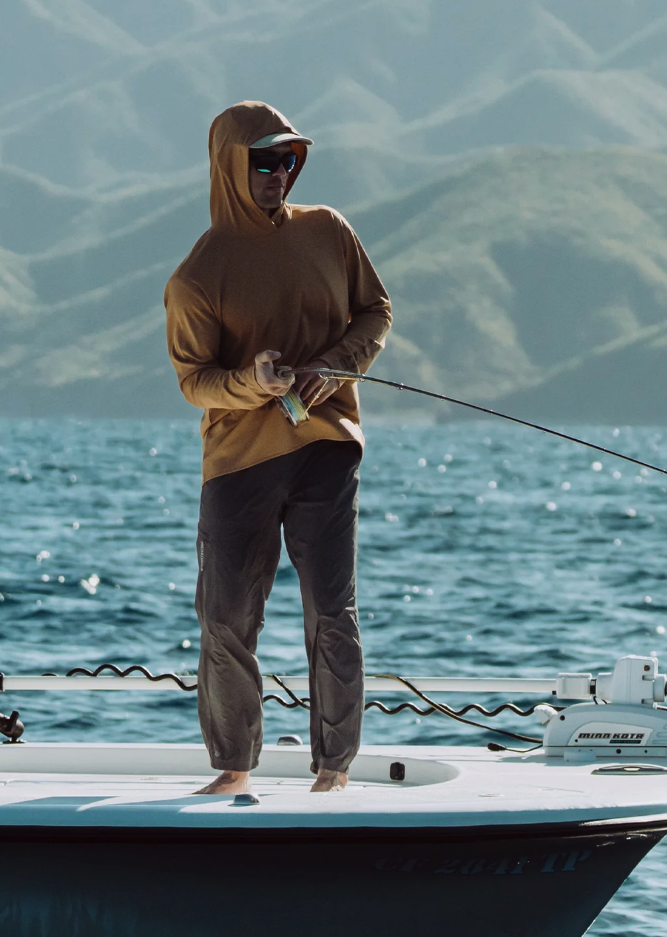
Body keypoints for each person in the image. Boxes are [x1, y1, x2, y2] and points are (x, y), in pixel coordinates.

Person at [164, 101, 391, 794]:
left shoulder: (329, 231)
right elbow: (194, 383)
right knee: (227, 616)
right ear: (231, 166)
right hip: (239, 464)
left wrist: (335, 361)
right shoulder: (197, 276)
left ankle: (334, 771)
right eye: (263, 160)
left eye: (289, 158)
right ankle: (234, 770)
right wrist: (252, 382)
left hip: (328, 446)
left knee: (332, 609)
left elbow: (375, 311)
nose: (278, 173)